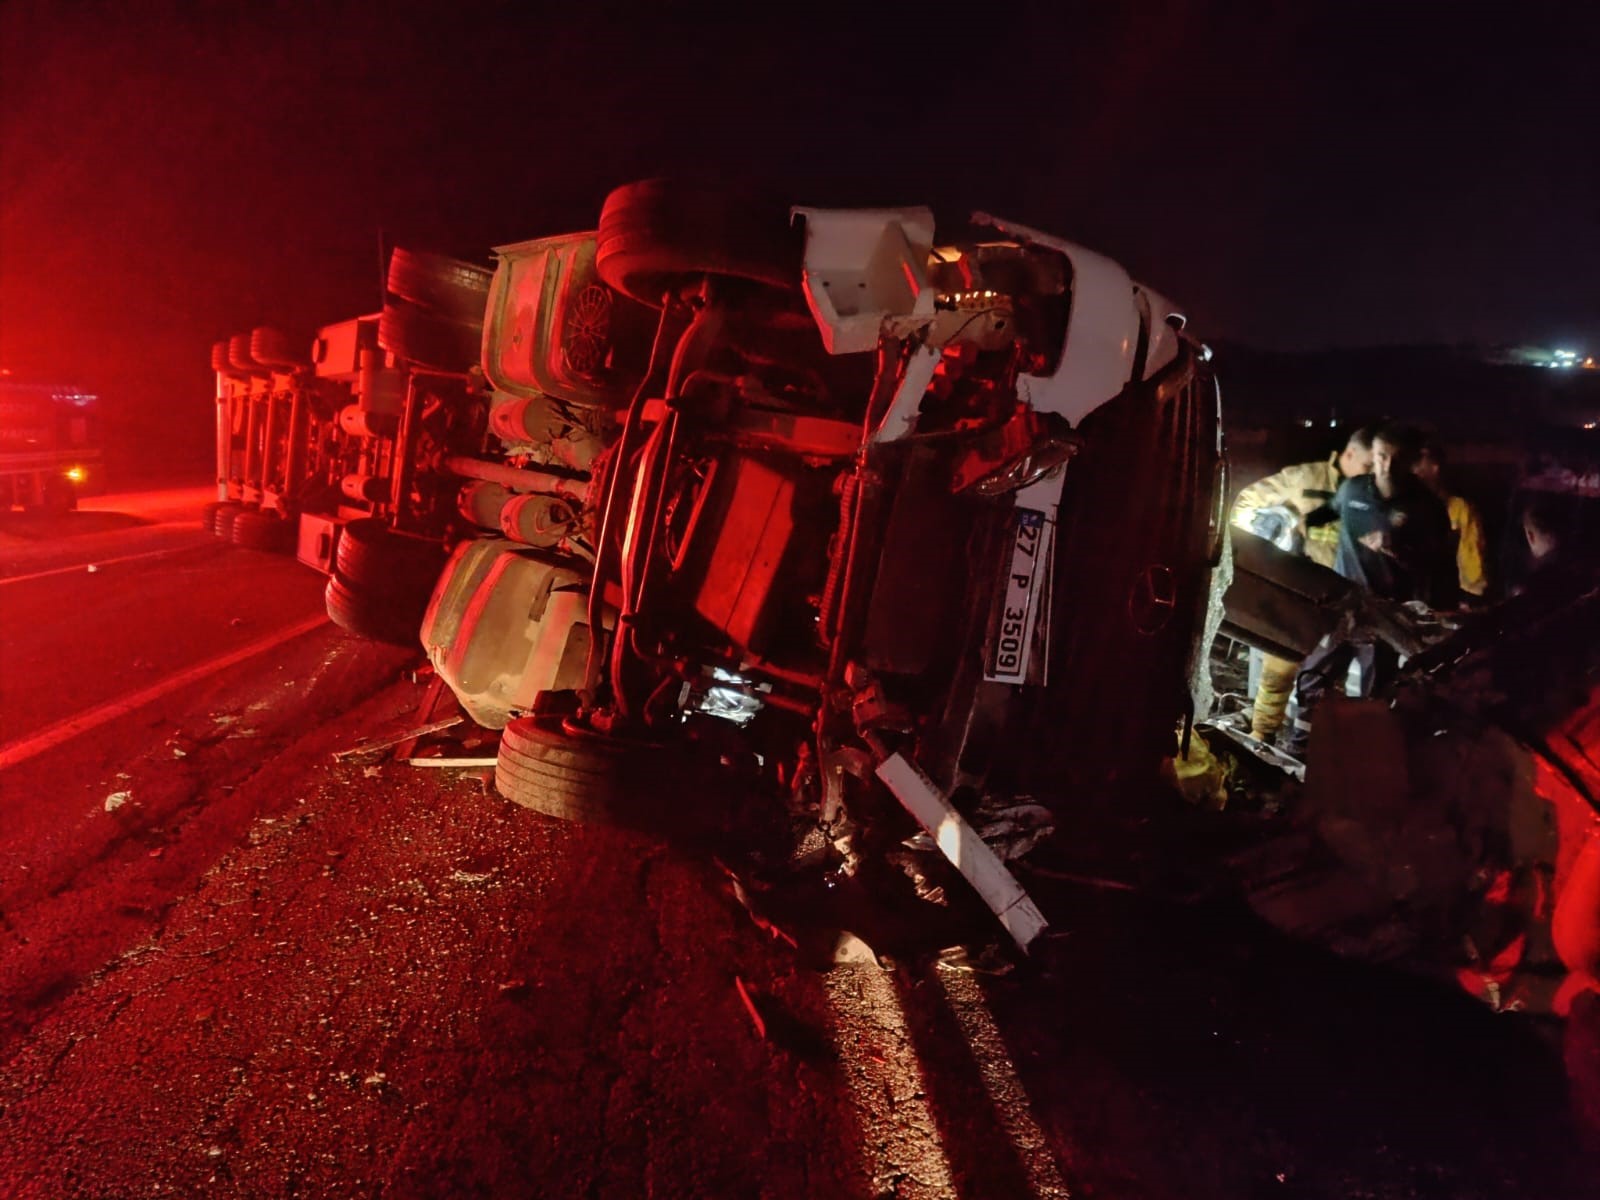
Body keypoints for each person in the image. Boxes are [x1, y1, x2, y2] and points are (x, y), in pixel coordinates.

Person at [1284, 423, 1457, 754]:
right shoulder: (1353, 490)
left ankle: (1360, 760)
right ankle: (1300, 748)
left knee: (1375, 693)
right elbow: (1330, 510)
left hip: (1386, 614)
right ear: (1373, 457)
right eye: (1380, 457)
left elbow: (1437, 566)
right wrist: (1301, 523)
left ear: (1409, 461)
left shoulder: (1427, 508)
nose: (1386, 466)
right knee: (1312, 673)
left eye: (1395, 459)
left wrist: (1398, 551)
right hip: (1342, 604)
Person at [1229, 427, 1374, 741]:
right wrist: (1259, 535)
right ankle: (1262, 734)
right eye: (1366, 466)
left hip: (1343, 599)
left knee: (1327, 680)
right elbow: (1247, 501)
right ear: (1349, 454)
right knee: (1278, 669)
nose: (1371, 473)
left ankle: (1313, 744)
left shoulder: (1367, 495)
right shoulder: (1306, 478)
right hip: (1303, 596)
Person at [1414, 438, 1488, 601]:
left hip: (1447, 598)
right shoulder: (1406, 507)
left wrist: (1470, 598)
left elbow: (1472, 558)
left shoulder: (1460, 508)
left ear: (1435, 468)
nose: (1414, 469)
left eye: (1419, 461)